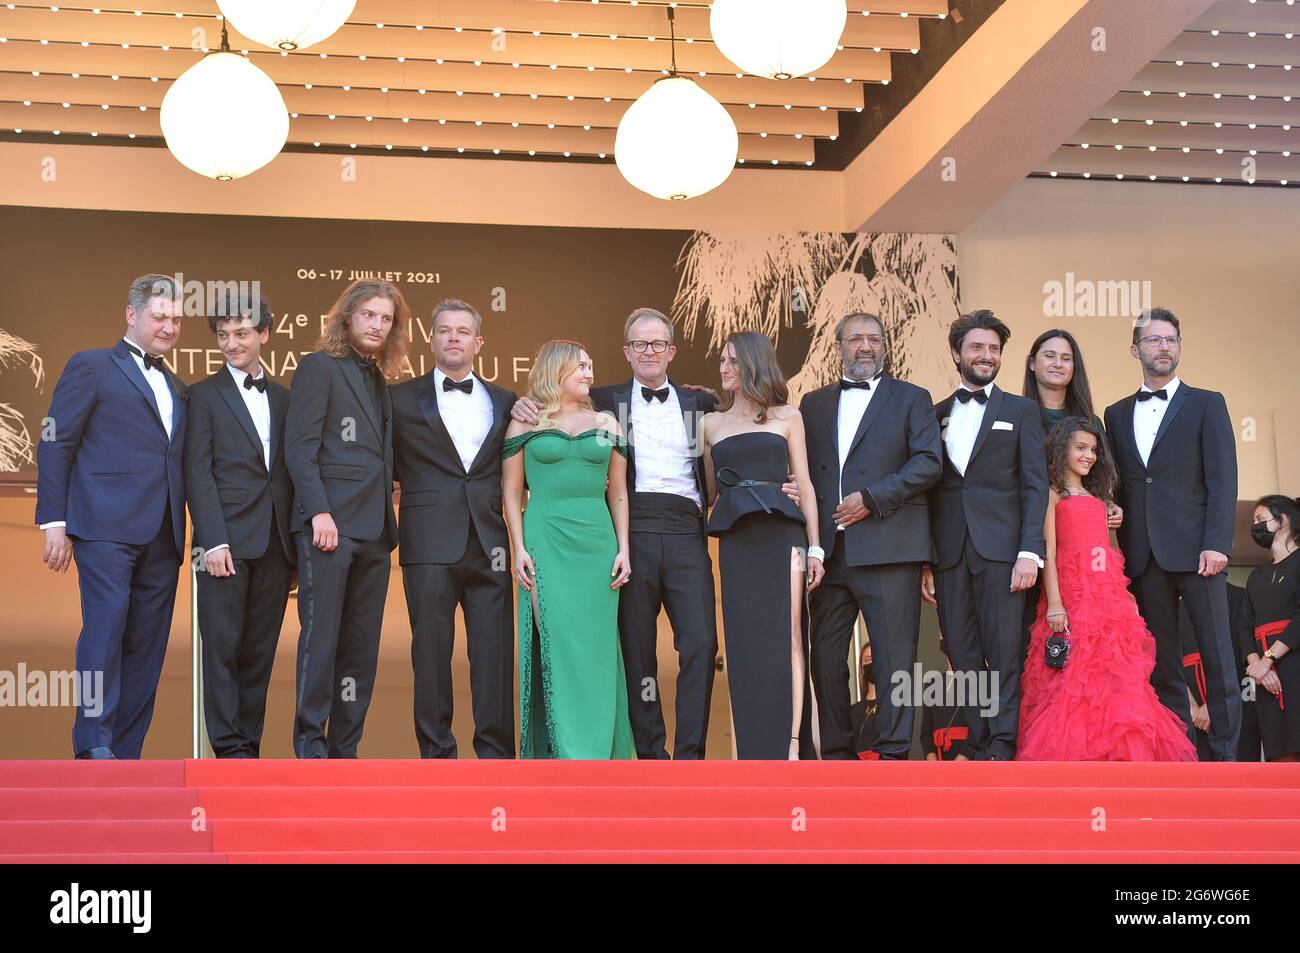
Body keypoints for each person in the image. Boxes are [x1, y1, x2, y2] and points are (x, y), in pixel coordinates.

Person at [510, 308, 719, 760]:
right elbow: (550, 402)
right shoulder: (601, 400)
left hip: (685, 528)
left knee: (702, 642)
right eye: (640, 344)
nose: (649, 351)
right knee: (635, 646)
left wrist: (781, 481)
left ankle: (690, 756)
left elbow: (743, 435)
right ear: (626, 352)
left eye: (658, 344)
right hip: (630, 527)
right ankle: (648, 754)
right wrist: (519, 404)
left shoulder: (700, 403)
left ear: (672, 351)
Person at [36, 274, 187, 759]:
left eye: (176, 319)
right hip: (103, 528)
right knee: (104, 631)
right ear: (131, 314)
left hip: (163, 534)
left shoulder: (178, 387)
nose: (168, 326)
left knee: (147, 646)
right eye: (159, 316)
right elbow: (56, 441)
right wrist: (53, 521)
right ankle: (94, 744)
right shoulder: (93, 365)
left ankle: (127, 754)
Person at [800, 312, 942, 760]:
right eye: (855, 338)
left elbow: (928, 462)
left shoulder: (912, 398)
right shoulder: (812, 403)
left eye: (874, 338)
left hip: (889, 546)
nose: (865, 346)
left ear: (885, 346)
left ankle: (895, 755)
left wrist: (872, 498)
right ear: (838, 346)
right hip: (830, 554)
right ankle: (839, 755)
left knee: (894, 660)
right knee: (824, 659)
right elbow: (804, 470)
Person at [1103, 307, 1240, 760]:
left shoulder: (1207, 402)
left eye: (1171, 340)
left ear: (1179, 347)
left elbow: (1223, 479)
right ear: (1134, 349)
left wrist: (1218, 543)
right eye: (1154, 339)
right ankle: (1180, 758)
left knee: (1218, 658)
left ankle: (1225, 760)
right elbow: (1120, 480)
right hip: (1143, 554)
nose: (1164, 347)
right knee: (1161, 664)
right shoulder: (1116, 413)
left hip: (1200, 551)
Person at [1017, 418, 1196, 761]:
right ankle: (1078, 755)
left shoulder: (1101, 498)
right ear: (1060, 450)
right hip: (1071, 593)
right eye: (1080, 448)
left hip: (1107, 593)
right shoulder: (1052, 495)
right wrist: (1055, 603)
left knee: (1114, 671)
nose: (1089, 456)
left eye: (1093, 450)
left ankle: (1115, 752)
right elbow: (1049, 552)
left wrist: (1121, 594)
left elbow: (1106, 549)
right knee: (1074, 674)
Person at [284, 279, 406, 759]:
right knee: (321, 639)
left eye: (386, 319)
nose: (378, 325)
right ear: (348, 317)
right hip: (328, 528)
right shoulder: (318, 367)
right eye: (370, 315)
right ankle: (311, 748)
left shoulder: (378, 379)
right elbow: (300, 448)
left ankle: (345, 750)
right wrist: (318, 511)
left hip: (375, 533)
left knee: (361, 649)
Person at [392, 299, 517, 759]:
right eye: (444, 330)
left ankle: (496, 756)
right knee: (430, 653)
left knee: (494, 653)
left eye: (463, 331)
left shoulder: (506, 401)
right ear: (431, 339)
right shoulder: (400, 398)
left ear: (479, 342)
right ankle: (436, 756)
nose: (453, 337)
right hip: (427, 540)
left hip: (491, 543)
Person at [922, 310, 1048, 762]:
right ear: (957, 353)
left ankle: (1003, 742)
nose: (986, 355)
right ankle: (979, 742)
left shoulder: (1021, 410)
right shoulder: (932, 414)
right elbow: (927, 490)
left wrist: (1030, 551)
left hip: (1004, 551)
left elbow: (1035, 485)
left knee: (1005, 650)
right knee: (963, 651)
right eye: (977, 347)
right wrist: (926, 561)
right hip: (950, 553)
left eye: (994, 349)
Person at [501, 340, 635, 759]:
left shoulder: (609, 423)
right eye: (581, 366)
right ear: (556, 370)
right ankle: (562, 755)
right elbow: (509, 493)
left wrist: (624, 549)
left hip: (597, 545)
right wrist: (519, 547)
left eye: (591, 366)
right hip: (544, 540)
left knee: (596, 648)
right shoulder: (523, 423)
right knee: (555, 642)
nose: (590, 374)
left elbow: (619, 494)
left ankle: (600, 754)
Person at [701, 331, 824, 760]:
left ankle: (790, 750)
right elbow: (711, 494)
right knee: (743, 643)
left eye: (732, 360)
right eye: (721, 360)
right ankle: (748, 752)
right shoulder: (710, 424)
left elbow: (805, 484)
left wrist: (816, 549)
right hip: (737, 543)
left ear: (754, 363)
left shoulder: (788, 416)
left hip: (782, 537)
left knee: (788, 638)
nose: (723, 368)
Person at [185, 289, 294, 759]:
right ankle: (228, 748)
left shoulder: (288, 400)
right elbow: (197, 470)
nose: (231, 343)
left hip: (276, 543)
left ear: (264, 335)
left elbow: (292, 472)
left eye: (242, 333)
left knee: (259, 651)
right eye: (224, 335)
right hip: (224, 541)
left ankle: (248, 746)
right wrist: (212, 540)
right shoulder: (202, 396)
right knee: (223, 650)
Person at [1020, 328, 1121, 667]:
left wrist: (1107, 504)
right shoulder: (1015, 413)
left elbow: (1100, 479)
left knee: (1090, 648)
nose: (1058, 363)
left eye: (1067, 358)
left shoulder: (1090, 420)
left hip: (1083, 561)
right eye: (1050, 355)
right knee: (1032, 645)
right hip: (1026, 542)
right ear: (1032, 363)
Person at [1238, 495, 1300, 762]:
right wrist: (1258, 666)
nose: (1255, 526)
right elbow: (1244, 626)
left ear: (1283, 520)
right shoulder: (1256, 575)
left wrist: (1269, 659)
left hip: (1292, 662)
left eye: (1261, 520)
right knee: (1277, 751)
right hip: (1264, 676)